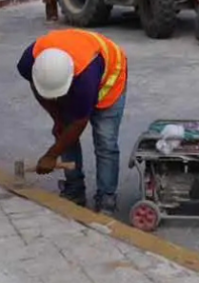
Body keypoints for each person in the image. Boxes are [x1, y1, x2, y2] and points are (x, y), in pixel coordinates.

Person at [17, 29, 128, 214]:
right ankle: (75, 190)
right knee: (64, 133)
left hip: (110, 75)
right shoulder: (30, 61)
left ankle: (106, 198)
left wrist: (51, 156)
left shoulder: (85, 79)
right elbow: (38, 90)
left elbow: (78, 123)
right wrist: (57, 119)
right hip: (80, 64)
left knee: (105, 142)